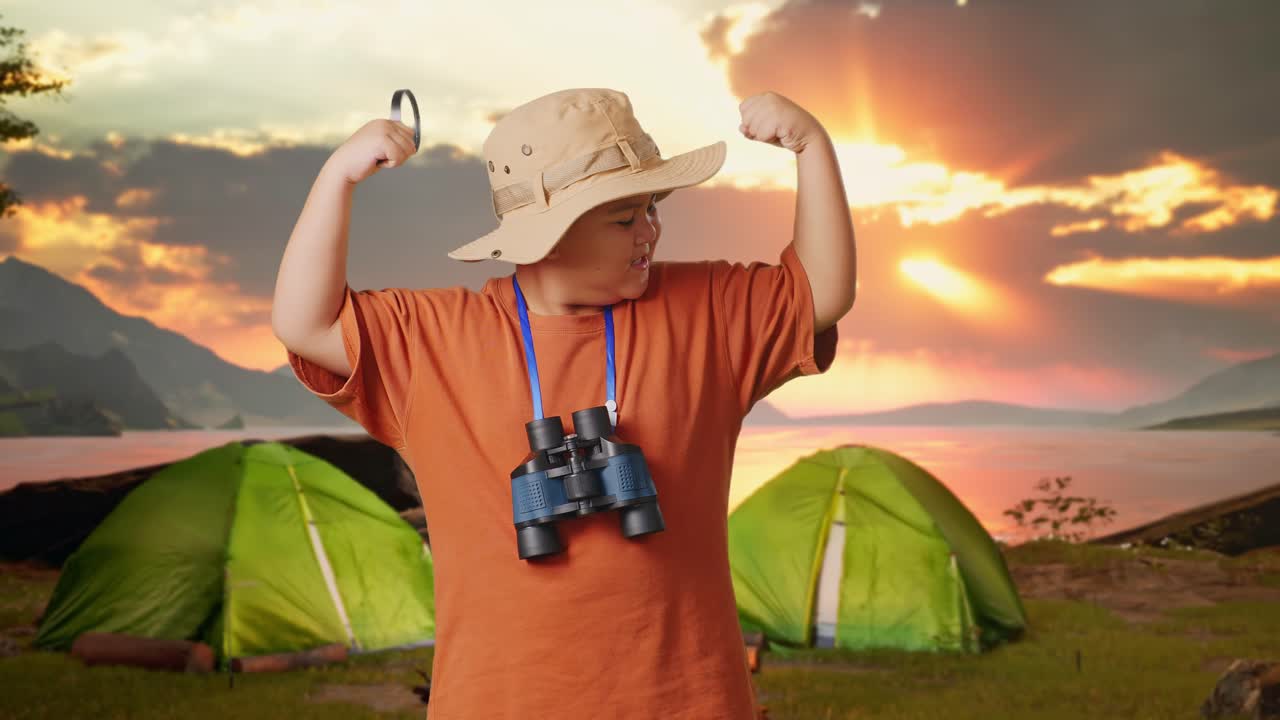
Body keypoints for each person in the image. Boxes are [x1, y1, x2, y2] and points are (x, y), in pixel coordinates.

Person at [272, 87, 856, 719]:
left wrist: (812, 147)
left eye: (651, 207)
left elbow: (821, 294)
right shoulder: (434, 339)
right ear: (547, 238)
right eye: (624, 219)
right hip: (500, 703)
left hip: (686, 701)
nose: (650, 231)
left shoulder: (705, 309)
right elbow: (305, 324)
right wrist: (337, 179)